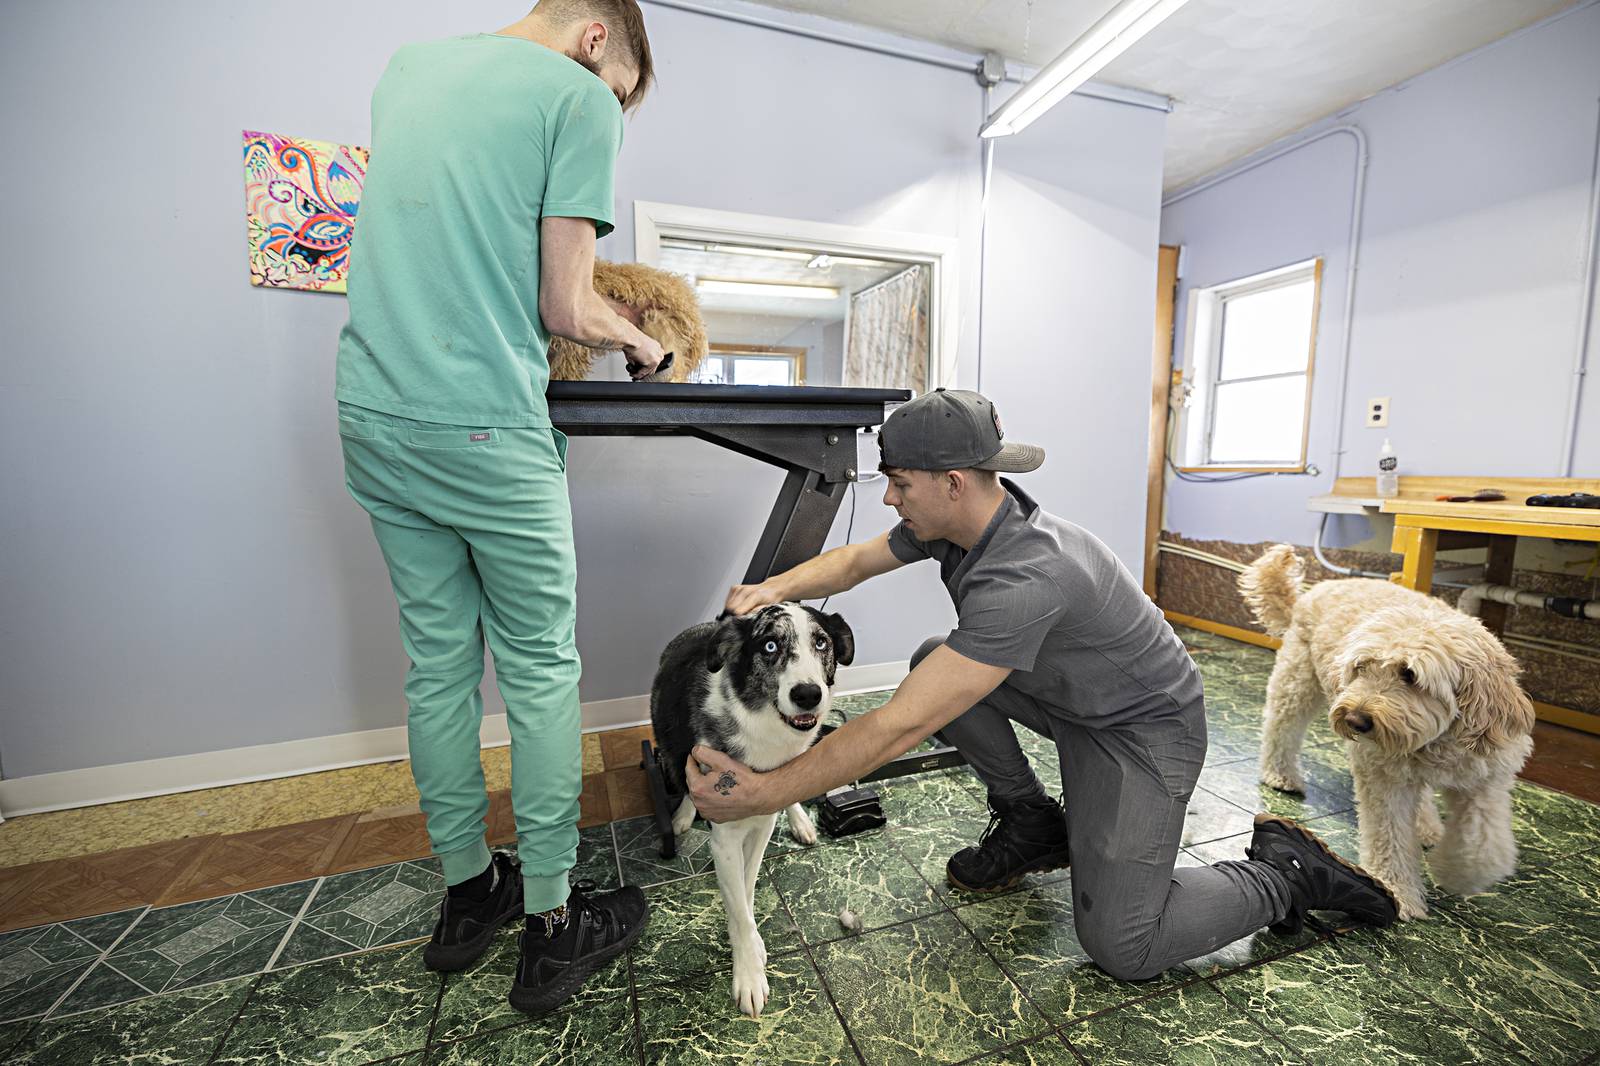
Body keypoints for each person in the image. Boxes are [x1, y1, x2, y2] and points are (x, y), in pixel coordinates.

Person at [689, 388, 1397, 981]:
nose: (890, 500)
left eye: (899, 484)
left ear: (951, 483)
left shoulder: (1027, 574)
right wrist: (769, 588)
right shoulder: (961, 525)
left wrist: (766, 793)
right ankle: (1031, 820)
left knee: (1125, 945)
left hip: (1145, 732)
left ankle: (1284, 874)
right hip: (1074, 702)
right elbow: (851, 564)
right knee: (936, 656)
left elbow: (900, 725)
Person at [334, 0, 663, 1015]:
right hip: (483, 424)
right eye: (620, 96)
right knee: (537, 666)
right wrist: (642, 342)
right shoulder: (574, 94)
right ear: (597, 38)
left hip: (373, 413)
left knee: (437, 661)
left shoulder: (407, 69)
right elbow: (565, 306)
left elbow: (456, 240)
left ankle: (470, 892)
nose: (611, 112)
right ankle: (554, 924)